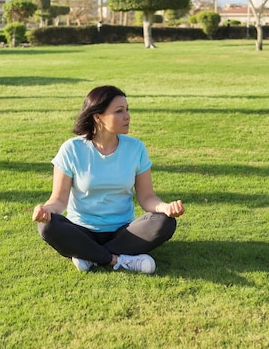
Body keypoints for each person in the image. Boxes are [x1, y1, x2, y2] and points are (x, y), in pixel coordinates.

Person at [32, 85, 185, 274]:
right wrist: (46, 210)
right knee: (47, 227)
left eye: (127, 110)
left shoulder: (136, 148)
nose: (127, 116)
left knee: (165, 222)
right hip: (81, 230)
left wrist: (165, 208)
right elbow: (59, 201)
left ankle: (89, 256)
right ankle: (117, 259)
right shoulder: (71, 149)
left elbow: (147, 198)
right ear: (97, 117)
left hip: (124, 232)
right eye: (119, 111)